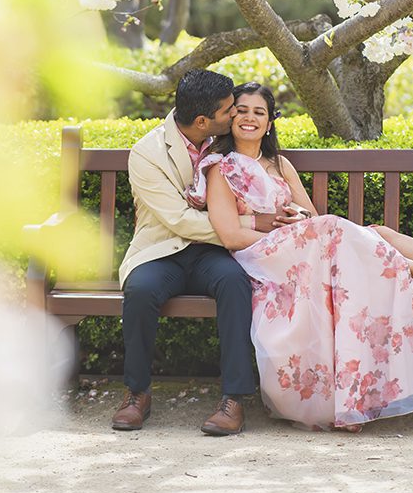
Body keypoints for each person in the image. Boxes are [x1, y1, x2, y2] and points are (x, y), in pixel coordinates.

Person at [187, 82, 413, 431]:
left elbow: (311, 217)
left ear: (270, 122)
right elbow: (230, 235)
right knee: (339, 228)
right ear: (229, 118)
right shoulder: (220, 168)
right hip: (263, 257)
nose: (250, 119)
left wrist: (296, 221)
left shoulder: (280, 164)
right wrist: (282, 233)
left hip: (304, 247)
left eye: (259, 112)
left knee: (378, 234)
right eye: (241, 111)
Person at [112, 70, 296, 437]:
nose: (235, 115)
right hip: (162, 249)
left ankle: (234, 399)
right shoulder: (147, 154)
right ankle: (137, 393)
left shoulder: (222, 141)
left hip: (210, 252)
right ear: (202, 120)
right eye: (229, 110)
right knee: (141, 291)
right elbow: (179, 221)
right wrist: (249, 223)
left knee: (234, 283)